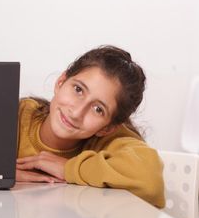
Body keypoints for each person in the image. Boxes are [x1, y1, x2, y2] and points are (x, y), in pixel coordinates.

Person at [15, 45, 165, 208]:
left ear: (107, 128)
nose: (77, 113)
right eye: (78, 90)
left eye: (98, 109)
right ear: (61, 82)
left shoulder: (107, 142)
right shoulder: (18, 115)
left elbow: (149, 179)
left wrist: (68, 169)